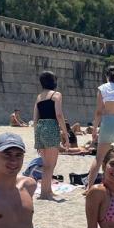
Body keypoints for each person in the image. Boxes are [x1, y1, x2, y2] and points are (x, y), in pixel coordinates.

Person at [32, 71, 69, 200]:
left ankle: (47, 190)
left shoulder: (39, 97)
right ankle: (44, 193)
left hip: (40, 128)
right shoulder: (56, 95)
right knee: (50, 164)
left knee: (45, 163)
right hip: (51, 127)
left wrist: (37, 137)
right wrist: (65, 133)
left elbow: (35, 119)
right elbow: (59, 115)